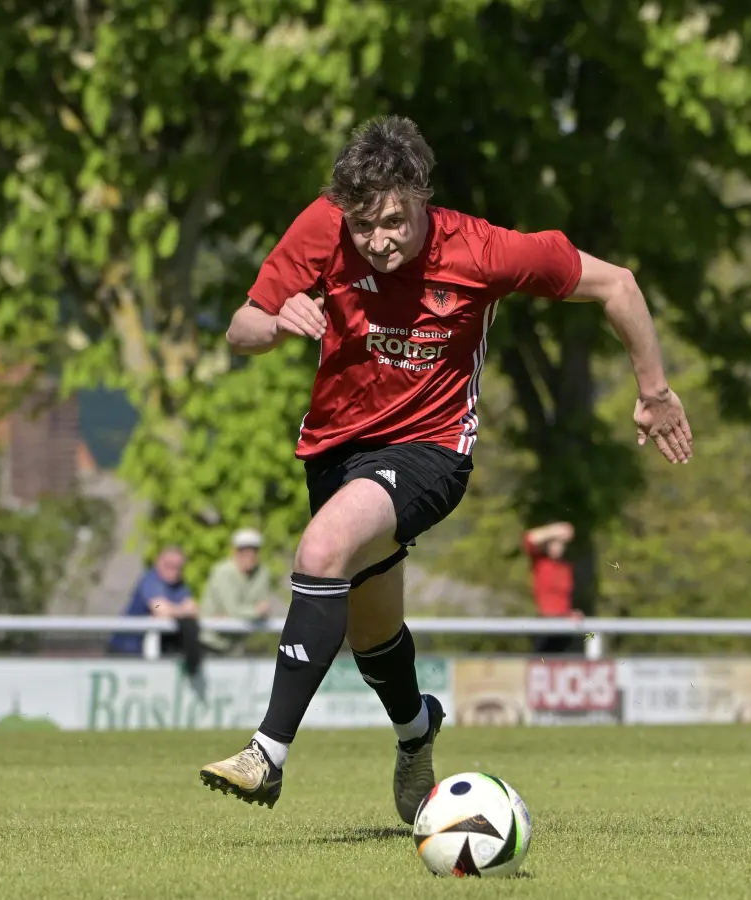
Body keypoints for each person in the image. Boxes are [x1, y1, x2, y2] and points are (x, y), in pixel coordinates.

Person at [199, 115, 692, 824]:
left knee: (323, 548)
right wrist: (277, 325)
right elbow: (241, 326)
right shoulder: (322, 225)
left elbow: (617, 285)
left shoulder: (484, 250)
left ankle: (266, 753)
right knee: (370, 631)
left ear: (421, 197)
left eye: (395, 222)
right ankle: (416, 730)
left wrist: (653, 391)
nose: (379, 241)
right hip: (335, 451)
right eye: (364, 227)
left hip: (432, 449)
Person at [108, 546, 207, 697]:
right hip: (126, 650)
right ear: (158, 562)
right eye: (169, 565)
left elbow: (193, 608)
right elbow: (158, 606)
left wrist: (173, 609)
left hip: (149, 652)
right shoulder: (150, 580)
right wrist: (177, 609)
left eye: (178, 567)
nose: (173, 570)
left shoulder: (179, 586)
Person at [198, 528, 276, 656]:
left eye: (254, 550)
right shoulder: (223, 571)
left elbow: (264, 608)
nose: (250, 556)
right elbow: (234, 610)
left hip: (237, 644)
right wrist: (254, 611)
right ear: (235, 552)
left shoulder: (263, 573)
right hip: (209, 642)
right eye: (244, 551)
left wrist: (245, 613)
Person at [523, 521, 580, 654]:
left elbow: (564, 598)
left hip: (564, 625)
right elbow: (529, 538)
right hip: (544, 623)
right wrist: (555, 530)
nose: (557, 547)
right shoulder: (541, 563)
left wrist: (571, 613)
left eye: (560, 543)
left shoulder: (566, 567)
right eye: (553, 543)